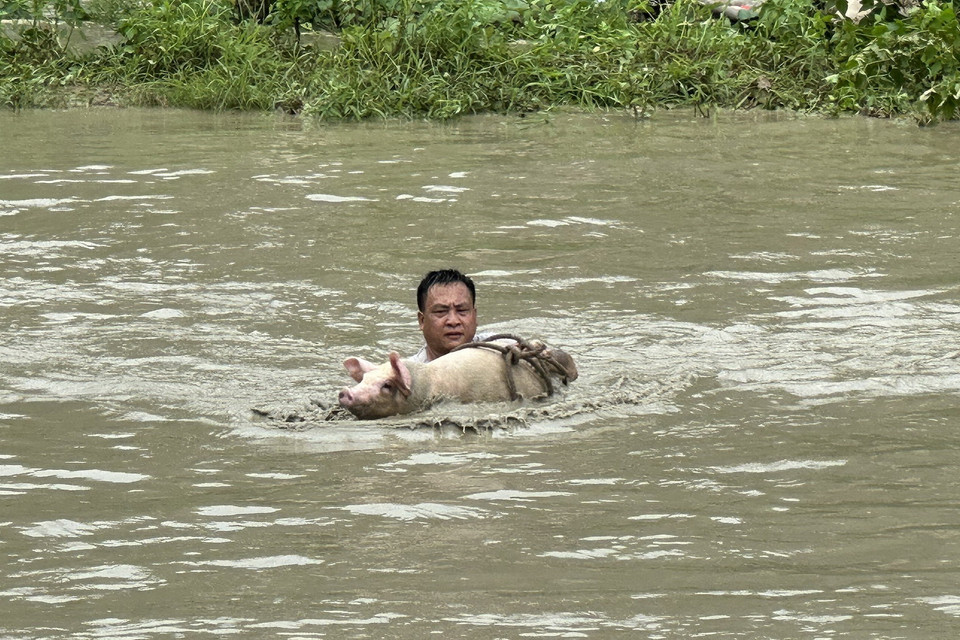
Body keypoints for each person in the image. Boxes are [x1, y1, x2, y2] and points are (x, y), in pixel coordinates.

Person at [409, 269, 492, 363]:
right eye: (441, 311)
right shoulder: (409, 370)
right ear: (422, 321)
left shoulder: (498, 349)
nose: (453, 321)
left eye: (462, 310)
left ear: (475, 316)